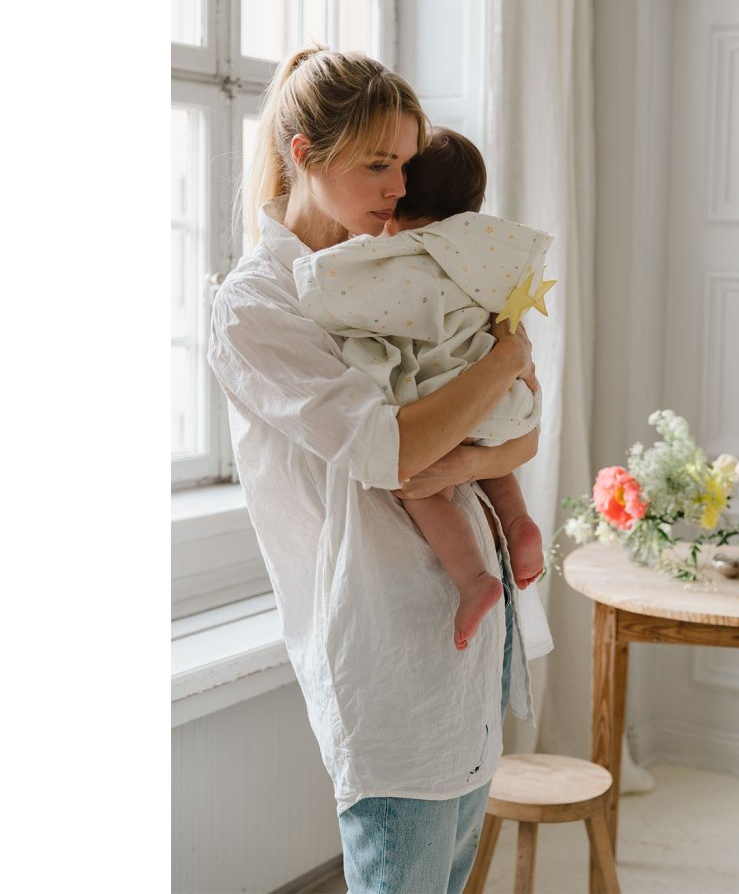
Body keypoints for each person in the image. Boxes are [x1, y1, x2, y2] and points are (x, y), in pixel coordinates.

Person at [207, 46, 539, 894]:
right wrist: (504, 362)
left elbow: (520, 440)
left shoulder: (402, 266)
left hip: (473, 629)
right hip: (388, 646)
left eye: (407, 163)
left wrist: (481, 428)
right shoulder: (257, 304)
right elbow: (394, 450)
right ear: (304, 154)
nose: (400, 186)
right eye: (378, 164)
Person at [293, 127, 547, 652]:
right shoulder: (490, 252)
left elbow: (332, 295)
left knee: (421, 489)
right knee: (489, 454)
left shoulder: (400, 258)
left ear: (403, 198)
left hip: (442, 397)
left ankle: (473, 579)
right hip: (503, 397)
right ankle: (520, 522)